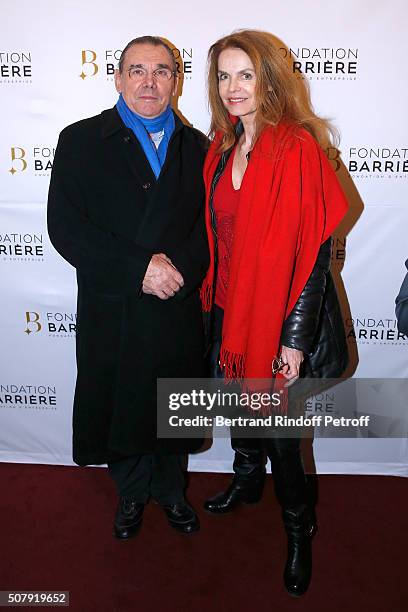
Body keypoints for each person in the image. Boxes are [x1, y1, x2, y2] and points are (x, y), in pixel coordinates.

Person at [200, 30, 349, 596]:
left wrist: (293, 339)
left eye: (245, 74)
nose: (233, 87)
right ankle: (245, 480)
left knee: (282, 436)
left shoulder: (297, 147)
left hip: (281, 317)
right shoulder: (221, 145)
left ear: (268, 80)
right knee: (241, 405)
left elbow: (312, 254)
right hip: (228, 307)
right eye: (223, 75)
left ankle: (298, 529)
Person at [47, 36, 209, 539]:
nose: (149, 82)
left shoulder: (199, 147)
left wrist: (174, 273)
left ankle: (170, 491)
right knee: (121, 404)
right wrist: (140, 268)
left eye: (162, 71)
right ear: (117, 78)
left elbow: (210, 229)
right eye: (137, 70)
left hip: (176, 302)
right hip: (114, 300)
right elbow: (65, 227)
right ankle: (132, 494)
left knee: (172, 404)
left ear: (175, 82)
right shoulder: (80, 139)